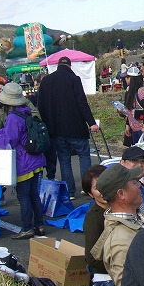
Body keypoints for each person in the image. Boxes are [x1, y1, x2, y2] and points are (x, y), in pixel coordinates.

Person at [0, 83, 46, 239]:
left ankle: (27, 228)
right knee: (34, 195)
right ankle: (39, 225)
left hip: (24, 161)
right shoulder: (26, 110)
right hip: (36, 159)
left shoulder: (12, 116)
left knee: (24, 196)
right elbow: (12, 131)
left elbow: (10, 139)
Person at [37, 56, 99, 200]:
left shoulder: (46, 81)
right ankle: (87, 188)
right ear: (70, 66)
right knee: (84, 155)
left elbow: (41, 106)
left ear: (58, 65)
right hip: (76, 127)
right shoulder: (74, 79)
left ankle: (69, 192)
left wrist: (46, 126)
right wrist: (91, 123)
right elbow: (82, 103)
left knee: (64, 159)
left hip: (55, 129)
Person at [119, 146, 144, 216]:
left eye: (143, 161)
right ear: (122, 162)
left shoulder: (142, 189)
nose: (140, 165)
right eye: (134, 160)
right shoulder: (117, 189)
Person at [123, 66, 144, 145]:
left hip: (143, 128)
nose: (125, 79)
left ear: (132, 78)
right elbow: (129, 111)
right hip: (134, 128)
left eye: (127, 77)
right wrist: (127, 125)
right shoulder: (130, 91)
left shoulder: (142, 91)